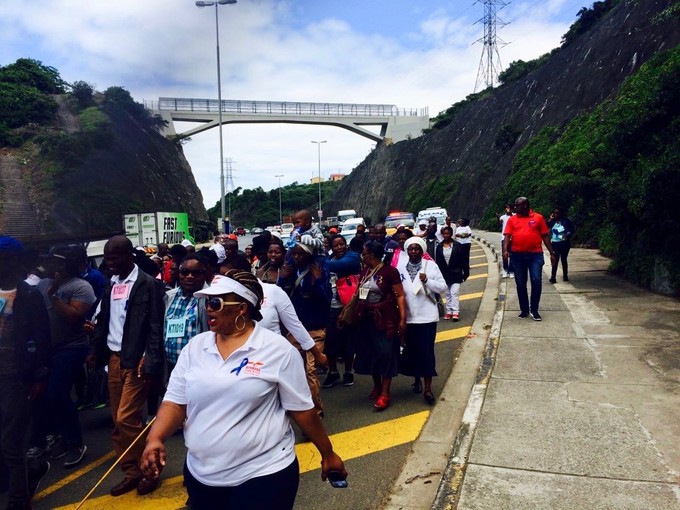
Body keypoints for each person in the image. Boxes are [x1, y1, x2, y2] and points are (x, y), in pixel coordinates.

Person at [140, 270, 346, 510]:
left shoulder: (277, 350)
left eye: (216, 303)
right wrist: (155, 438)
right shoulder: (195, 347)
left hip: (264, 473)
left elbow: (302, 411)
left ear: (242, 308)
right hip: (201, 475)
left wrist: (328, 453)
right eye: (207, 302)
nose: (209, 309)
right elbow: (175, 402)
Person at [89, 235, 165, 497]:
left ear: (129, 256)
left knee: (126, 418)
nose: (110, 264)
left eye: (114, 258)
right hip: (113, 359)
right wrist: (94, 351)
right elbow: (105, 319)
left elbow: (156, 326)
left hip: (136, 359)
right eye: (107, 259)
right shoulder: (111, 284)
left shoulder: (147, 284)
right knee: (117, 421)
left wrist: (150, 357)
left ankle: (150, 469)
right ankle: (131, 472)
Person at [0, 236, 51, 510]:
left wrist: (40, 376)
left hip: (17, 378)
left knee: (12, 439)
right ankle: (23, 473)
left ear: (14, 262)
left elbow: (43, 338)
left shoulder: (29, 295)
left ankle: (19, 499)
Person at [36, 245, 96, 468]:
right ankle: (58, 436)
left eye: (55, 262)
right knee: (45, 395)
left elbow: (74, 316)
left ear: (66, 264)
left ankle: (76, 444)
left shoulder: (82, 287)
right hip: (47, 348)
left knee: (57, 394)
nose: (50, 265)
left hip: (72, 347)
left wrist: (54, 296)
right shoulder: (42, 284)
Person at [277, 242, 331, 417]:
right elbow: (278, 298)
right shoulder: (290, 273)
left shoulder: (319, 271)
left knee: (311, 370)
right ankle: (300, 407)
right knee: (295, 370)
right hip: (295, 330)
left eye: (301, 254)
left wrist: (318, 280)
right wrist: (282, 278)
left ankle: (316, 412)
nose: (297, 257)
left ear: (309, 255)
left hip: (315, 329)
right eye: (294, 254)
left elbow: (326, 299)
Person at [353, 241, 406, 411]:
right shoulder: (365, 271)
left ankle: (385, 393)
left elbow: (400, 295)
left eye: (364, 253)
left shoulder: (389, 271)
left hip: (385, 319)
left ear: (372, 255)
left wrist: (403, 319)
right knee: (370, 354)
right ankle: (376, 385)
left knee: (386, 354)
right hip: (366, 318)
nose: (362, 256)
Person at [396, 238, 447, 405]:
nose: (413, 251)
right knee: (411, 351)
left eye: (417, 249)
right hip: (408, 318)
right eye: (410, 249)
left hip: (427, 318)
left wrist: (427, 281)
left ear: (422, 250)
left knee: (426, 352)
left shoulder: (430, 266)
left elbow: (442, 287)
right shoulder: (400, 267)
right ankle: (416, 380)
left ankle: (428, 388)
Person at [502, 197, 556, 322]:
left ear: (525, 205)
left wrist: (552, 253)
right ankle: (524, 309)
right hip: (517, 255)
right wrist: (505, 250)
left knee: (536, 280)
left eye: (517, 205)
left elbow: (545, 236)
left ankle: (535, 310)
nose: (515, 208)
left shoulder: (538, 218)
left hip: (535, 255)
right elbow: (507, 236)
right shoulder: (512, 219)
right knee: (520, 283)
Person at [321, 234, 361, 388]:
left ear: (346, 245)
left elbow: (337, 267)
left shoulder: (352, 257)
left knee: (348, 340)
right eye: (335, 245)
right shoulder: (329, 260)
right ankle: (332, 372)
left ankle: (348, 371)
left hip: (348, 305)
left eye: (341, 244)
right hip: (331, 307)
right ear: (331, 247)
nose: (339, 248)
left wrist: (319, 262)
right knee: (330, 341)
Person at [435, 226, 467, 321]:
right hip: (445, 273)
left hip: (456, 272)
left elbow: (463, 260)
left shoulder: (457, 245)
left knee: (454, 292)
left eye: (448, 233)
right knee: (448, 293)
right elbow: (438, 262)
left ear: (451, 234)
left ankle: (455, 312)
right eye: (444, 234)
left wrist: (466, 272)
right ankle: (449, 311)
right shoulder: (439, 247)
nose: (446, 235)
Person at [547, 207, 575, 283]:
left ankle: (565, 275)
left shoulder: (566, 221)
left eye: (557, 213)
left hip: (564, 243)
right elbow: (545, 226)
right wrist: (550, 219)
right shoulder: (552, 221)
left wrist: (567, 235)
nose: (556, 215)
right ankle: (553, 277)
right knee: (555, 259)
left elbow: (571, 229)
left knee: (563, 259)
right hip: (555, 243)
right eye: (554, 213)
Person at [498, 205, 515, 278]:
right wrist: (497, 218)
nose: (507, 209)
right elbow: (499, 223)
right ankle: (505, 270)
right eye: (506, 208)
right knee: (504, 255)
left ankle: (511, 271)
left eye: (508, 207)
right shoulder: (503, 217)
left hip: (513, 238)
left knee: (512, 255)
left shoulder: (514, 215)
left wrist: (511, 213)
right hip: (504, 238)